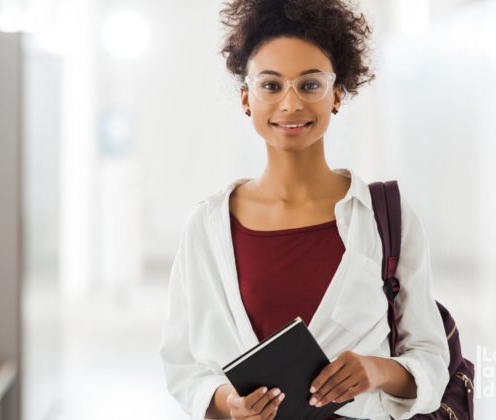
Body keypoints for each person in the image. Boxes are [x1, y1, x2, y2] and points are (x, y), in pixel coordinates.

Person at [159, 1, 450, 419]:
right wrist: (231, 404)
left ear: (335, 95)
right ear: (246, 98)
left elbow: (430, 359)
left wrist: (377, 371)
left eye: (310, 85)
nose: (291, 104)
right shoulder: (208, 226)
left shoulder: (384, 217)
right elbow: (184, 364)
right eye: (272, 85)